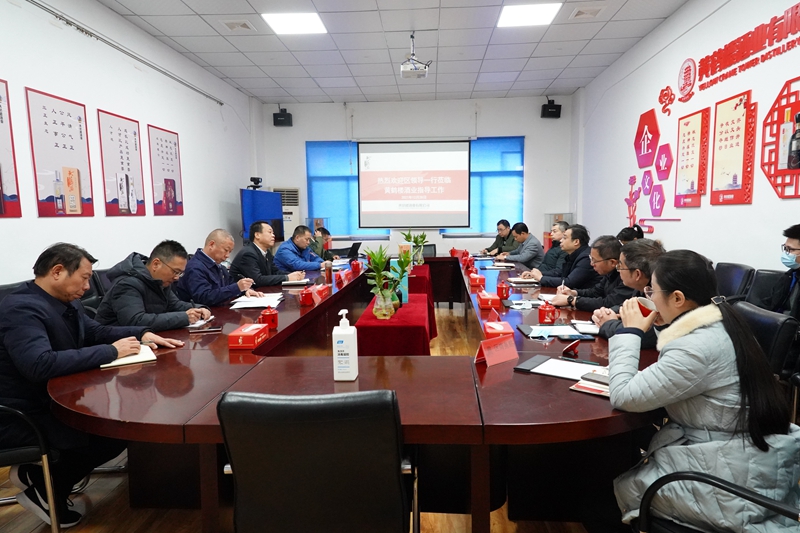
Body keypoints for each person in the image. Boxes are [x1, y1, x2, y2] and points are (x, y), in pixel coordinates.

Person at [608, 250, 800, 531]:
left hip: (725, 480)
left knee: (601, 497)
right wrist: (664, 324)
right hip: (739, 454)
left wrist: (630, 332)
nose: (649, 295)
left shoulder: (698, 347)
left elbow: (623, 396)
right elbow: (685, 363)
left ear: (677, 298)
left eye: (652, 290)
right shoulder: (721, 319)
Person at [0, 243, 182, 528]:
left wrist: (142, 334)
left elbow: (95, 330)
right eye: (84, 278)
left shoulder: (64, 300)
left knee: (117, 426)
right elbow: (39, 364)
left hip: (54, 397)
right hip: (20, 413)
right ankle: (44, 487)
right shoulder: (21, 309)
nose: (88, 287)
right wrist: (112, 352)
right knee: (111, 431)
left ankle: (42, 477)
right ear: (57, 271)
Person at [95, 240, 210, 331]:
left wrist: (199, 309)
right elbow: (136, 321)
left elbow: (175, 305)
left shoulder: (160, 281)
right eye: (175, 272)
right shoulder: (127, 284)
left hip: (145, 338)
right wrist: (184, 317)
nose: (177, 278)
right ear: (156, 264)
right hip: (115, 343)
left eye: (180, 273)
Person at [593, 239, 666, 349]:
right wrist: (607, 313)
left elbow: (642, 335)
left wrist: (608, 323)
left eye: (620, 266)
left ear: (637, 274)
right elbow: (629, 306)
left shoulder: (662, 295)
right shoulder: (643, 286)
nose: (618, 270)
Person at [175, 229, 263, 306]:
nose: (227, 255)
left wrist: (245, 290)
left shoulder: (219, 266)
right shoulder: (195, 267)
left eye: (230, 252)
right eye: (226, 250)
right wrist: (237, 288)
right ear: (211, 245)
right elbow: (203, 297)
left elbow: (230, 284)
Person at [549, 235, 635, 311]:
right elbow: (595, 292)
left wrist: (571, 300)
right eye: (591, 258)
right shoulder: (609, 272)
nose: (591, 264)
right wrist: (573, 292)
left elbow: (608, 303)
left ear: (612, 262)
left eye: (595, 260)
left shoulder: (627, 276)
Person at [522, 224, 601, 289]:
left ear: (576, 242)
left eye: (565, 238)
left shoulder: (586, 258)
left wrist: (541, 278)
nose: (561, 240)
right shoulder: (572, 254)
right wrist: (536, 274)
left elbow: (569, 282)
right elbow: (560, 273)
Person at [230, 221, 305, 288]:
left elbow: (275, 271)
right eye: (270, 232)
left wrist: (294, 275)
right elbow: (257, 280)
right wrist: (287, 278)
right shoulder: (248, 254)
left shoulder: (266, 252)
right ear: (257, 235)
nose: (273, 235)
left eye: (273, 233)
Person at [752, 223, 800, 319]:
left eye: (790, 249)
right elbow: (770, 303)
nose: (786, 253)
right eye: (785, 248)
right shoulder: (790, 275)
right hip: (776, 323)